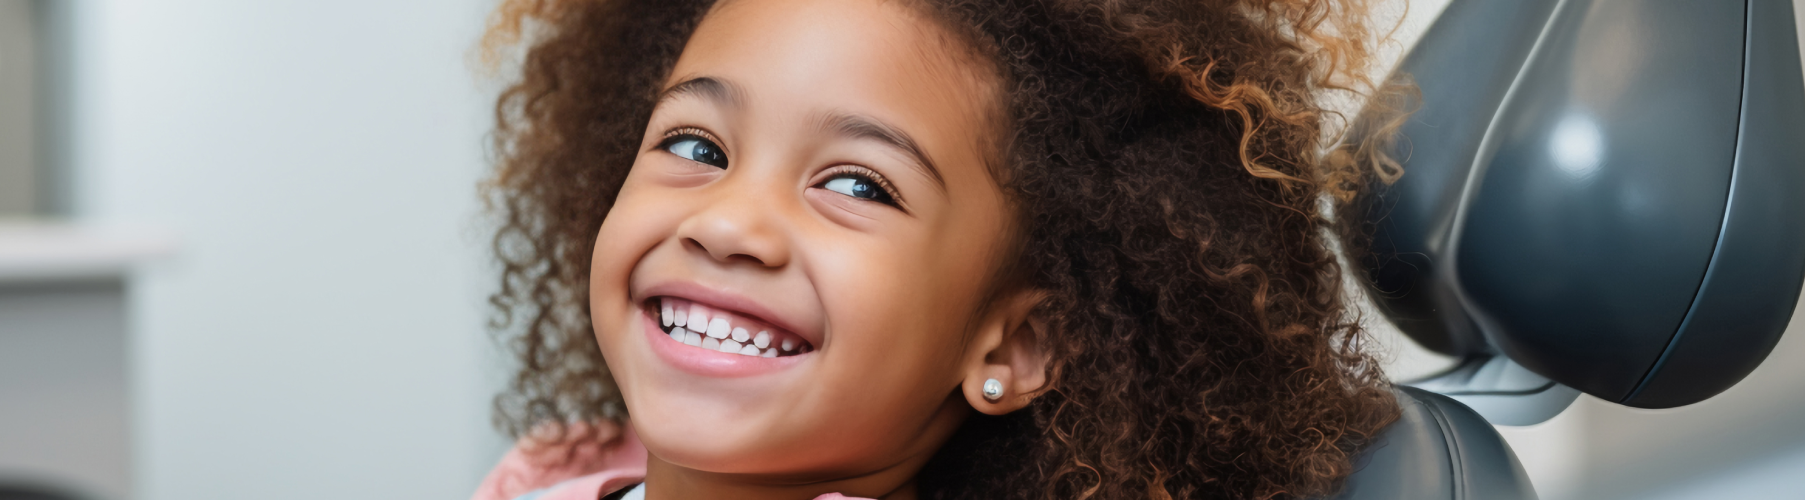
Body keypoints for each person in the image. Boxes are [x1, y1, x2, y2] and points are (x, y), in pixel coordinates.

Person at [474, 0, 1410, 498]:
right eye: (695, 147)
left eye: (855, 185)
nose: (728, 222)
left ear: (1016, 346)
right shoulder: (553, 473)